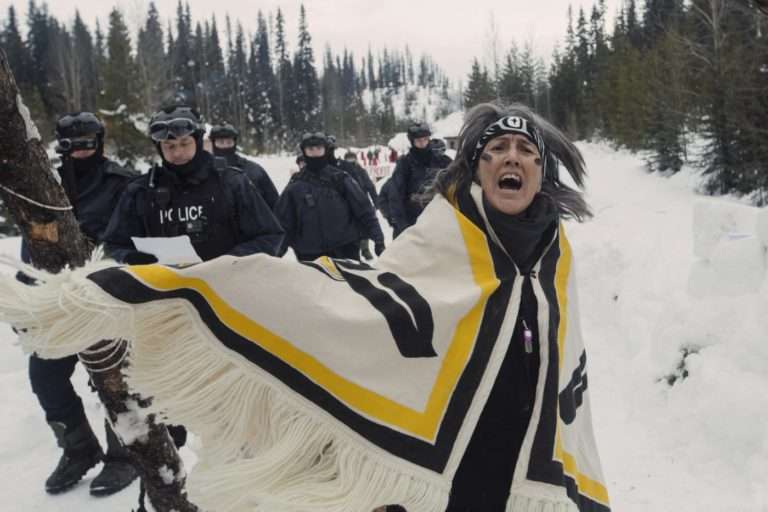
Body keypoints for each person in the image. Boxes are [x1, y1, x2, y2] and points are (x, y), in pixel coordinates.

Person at [22, 112, 140, 496]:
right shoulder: (46, 182)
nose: (82, 150)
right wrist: (27, 296)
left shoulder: (122, 183)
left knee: (115, 379)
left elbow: (134, 238)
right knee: (45, 375)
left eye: (89, 142)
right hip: (56, 300)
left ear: (100, 142)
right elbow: (33, 240)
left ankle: (125, 453)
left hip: (106, 296)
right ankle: (77, 448)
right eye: (73, 143)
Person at [103, 104, 284, 264]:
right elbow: (114, 245)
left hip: (228, 288)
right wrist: (131, 258)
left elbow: (270, 236)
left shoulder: (232, 183)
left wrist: (233, 261)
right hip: (164, 294)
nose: (178, 153)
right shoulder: (140, 191)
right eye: (170, 146)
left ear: (197, 141)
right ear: (159, 148)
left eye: (184, 144)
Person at [275, 132, 385, 261]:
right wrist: (276, 254)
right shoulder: (295, 185)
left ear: (325, 150)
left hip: (345, 251)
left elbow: (364, 210)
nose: (315, 153)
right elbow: (284, 222)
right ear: (304, 152)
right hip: (309, 255)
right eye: (311, 150)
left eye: (319, 149)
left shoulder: (340, 178)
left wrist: (378, 240)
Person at [387, 122, 449, 238]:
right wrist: (402, 225)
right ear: (412, 142)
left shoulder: (441, 160)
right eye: (419, 141)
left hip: (439, 216)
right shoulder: (405, 163)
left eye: (425, 139)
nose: (423, 143)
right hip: (414, 218)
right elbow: (396, 194)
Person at [208, 123, 279, 210]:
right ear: (213, 143)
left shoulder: (254, 171)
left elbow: (275, 204)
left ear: (234, 144)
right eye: (221, 142)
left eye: (229, 142)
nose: (225, 146)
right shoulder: (204, 171)